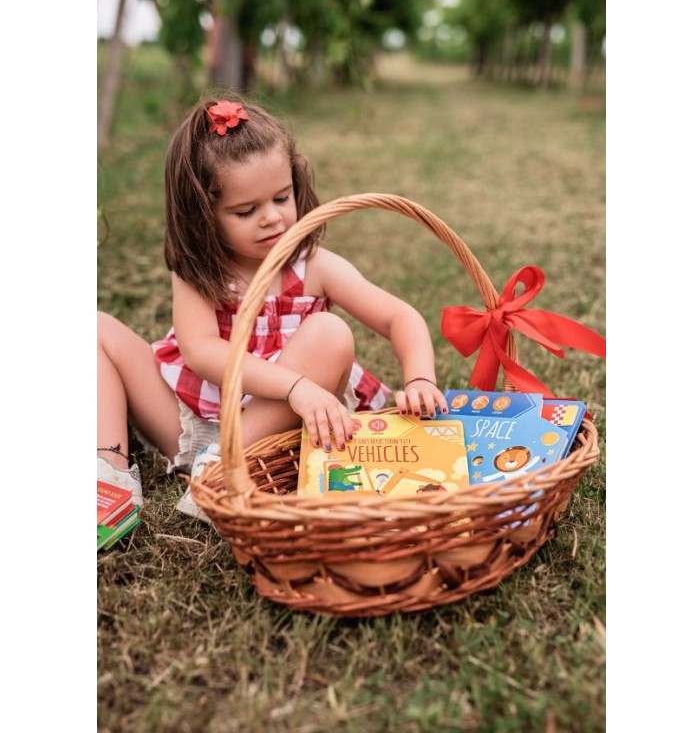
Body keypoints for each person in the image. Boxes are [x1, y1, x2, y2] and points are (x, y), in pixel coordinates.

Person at [97, 93, 449, 516]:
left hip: (274, 427)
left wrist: (420, 380)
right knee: (94, 327)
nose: (272, 218)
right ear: (202, 215)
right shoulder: (199, 270)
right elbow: (202, 351)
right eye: (246, 210)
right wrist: (292, 385)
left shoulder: (314, 266)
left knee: (329, 334)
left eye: (282, 198)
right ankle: (107, 475)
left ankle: (230, 470)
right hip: (197, 419)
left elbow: (400, 316)